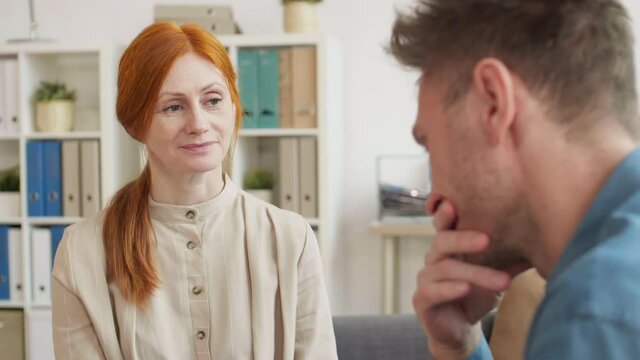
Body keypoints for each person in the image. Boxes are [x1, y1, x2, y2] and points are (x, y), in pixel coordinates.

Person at [51, 22, 337, 359]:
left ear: (234, 107)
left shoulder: (291, 239)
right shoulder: (81, 252)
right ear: (134, 123)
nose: (199, 124)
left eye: (213, 100)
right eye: (173, 107)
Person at [389, 0, 640, 359]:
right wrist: (462, 347)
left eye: (429, 144)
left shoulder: (594, 311)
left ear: (493, 102)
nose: (433, 200)